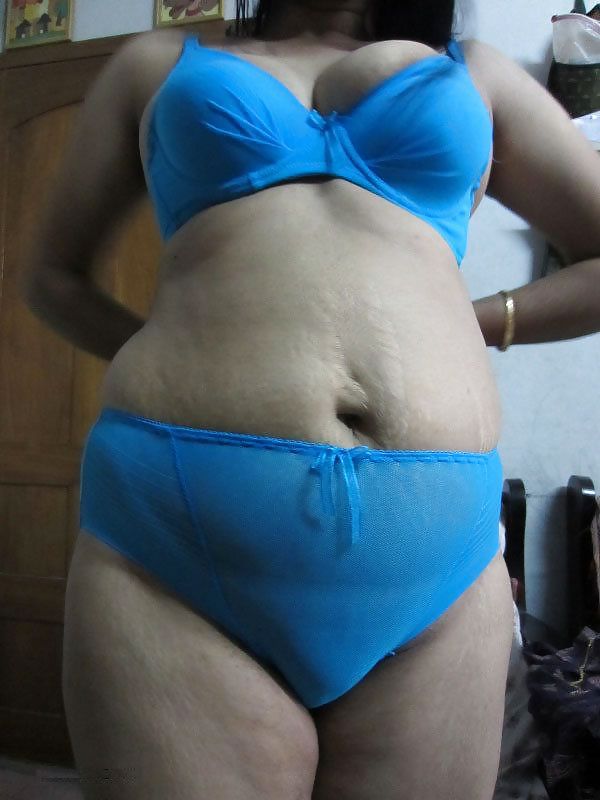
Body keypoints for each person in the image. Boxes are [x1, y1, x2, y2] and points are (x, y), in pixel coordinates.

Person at [21, 0, 600, 797]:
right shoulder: (156, 65)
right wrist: (184, 357)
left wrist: (466, 323)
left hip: (434, 556)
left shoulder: (476, 73)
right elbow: (53, 277)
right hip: (176, 530)